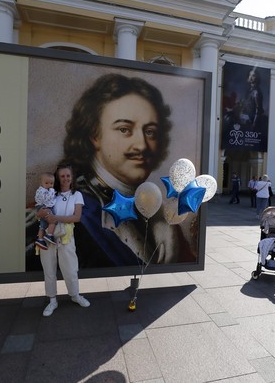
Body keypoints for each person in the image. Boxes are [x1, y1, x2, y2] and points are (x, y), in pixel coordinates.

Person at [61, 73, 190, 268]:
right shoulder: (69, 211)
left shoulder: (163, 217)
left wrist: (159, 219)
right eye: (124, 129)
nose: (142, 145)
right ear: (94, 135)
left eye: (150, 132)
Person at [36, 164, 90, 316]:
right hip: (48, 236)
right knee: (49, 269)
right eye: (62, 176)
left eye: (68, 175)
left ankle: (75, 295)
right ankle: (52, 300)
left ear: (72, 177)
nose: (65, 179)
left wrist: (56, 218)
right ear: (58, 178)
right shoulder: (50, 193)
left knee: (71, 269)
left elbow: (77, 217)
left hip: (66, 237)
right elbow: (38, 215)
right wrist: (41, 213)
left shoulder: (77, 195)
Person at [34, 172, 57, 250]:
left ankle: (40, 240)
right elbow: (47, 199)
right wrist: (51, 191)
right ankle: (49, 235)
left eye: (51, 183)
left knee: (42, 226)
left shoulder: (41, 190)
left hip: (41, 207)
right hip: (44, 207)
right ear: (41, 183)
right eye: (46, 183)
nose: (49, 185)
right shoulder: (43, 191)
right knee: (53, 221)